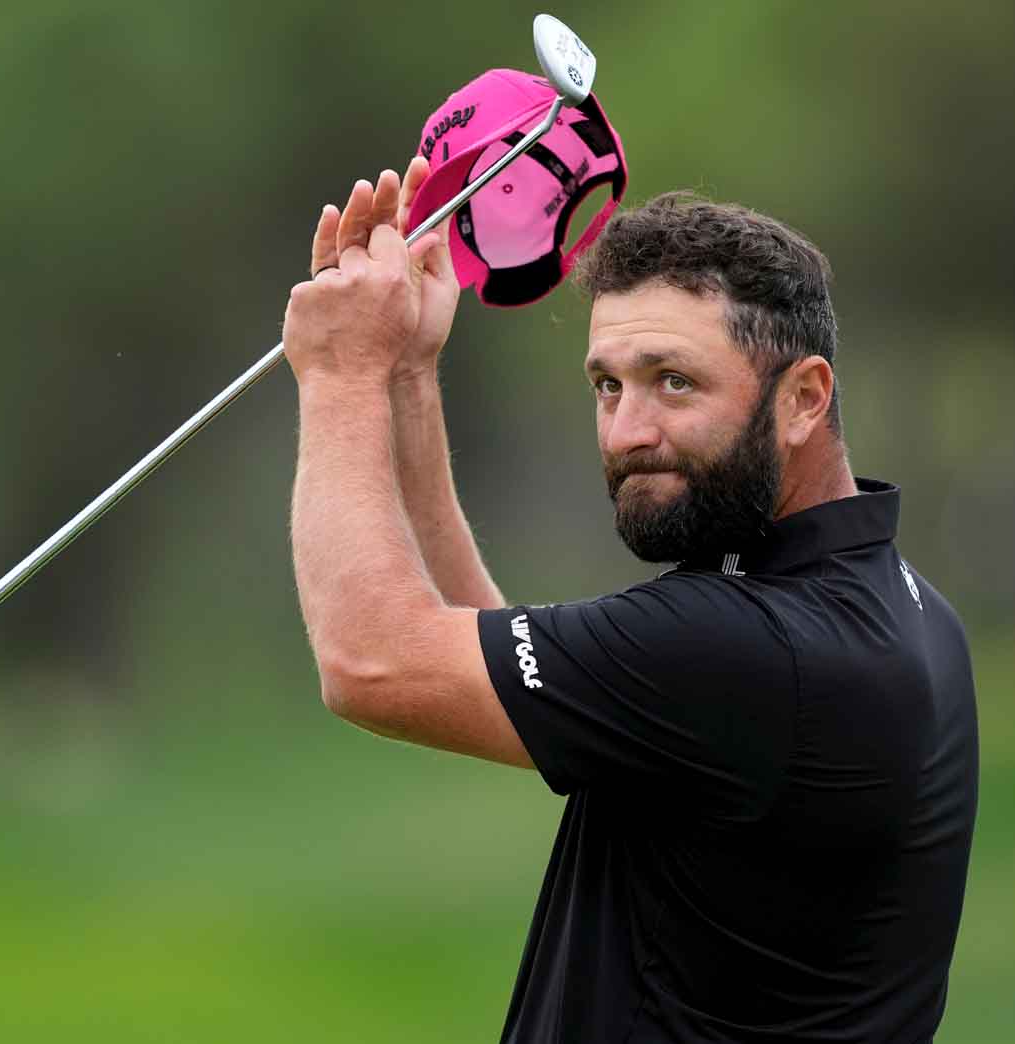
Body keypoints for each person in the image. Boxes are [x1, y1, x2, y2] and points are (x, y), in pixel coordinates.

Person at [282, 159, 978, 1044]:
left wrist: (339, 377)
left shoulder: (744, 644)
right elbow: (527, 670)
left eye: (673, 382)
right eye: (608, 385)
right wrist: (409, 379)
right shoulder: (898, 607)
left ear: (803, 398)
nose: (626, 432)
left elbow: (370, 661)